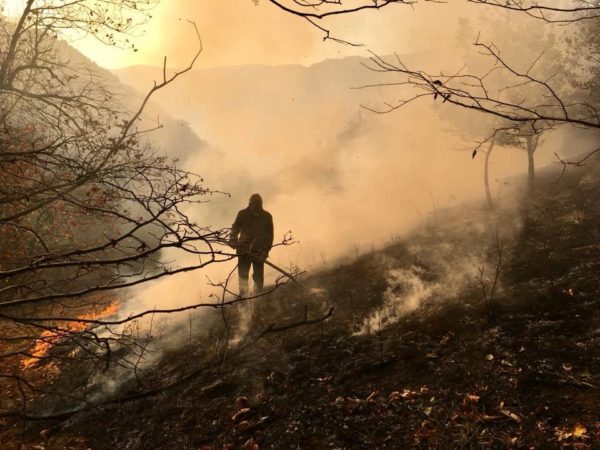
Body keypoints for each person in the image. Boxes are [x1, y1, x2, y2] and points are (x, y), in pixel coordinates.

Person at [229, 193, 274, 296]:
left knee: (258, 277)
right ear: (250, 204)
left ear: (261, 204)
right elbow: (235, 229)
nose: (256, 207)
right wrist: (233, 240)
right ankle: (243, 298)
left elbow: (269, 236)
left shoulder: (267, 216)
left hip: (259, 252)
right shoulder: (242, 214)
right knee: (243, 276)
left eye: (258, 205)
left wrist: (265, 252)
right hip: (243, 251)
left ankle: (257, 298)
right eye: (254, 204)